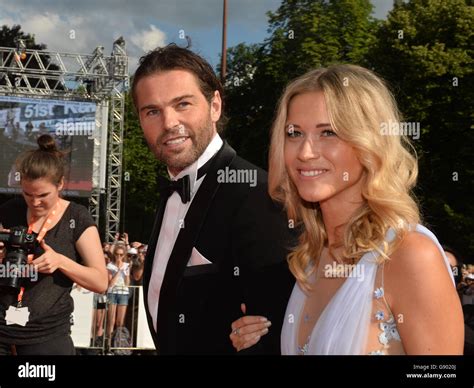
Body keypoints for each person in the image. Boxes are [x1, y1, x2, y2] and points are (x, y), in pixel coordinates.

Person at [230, 65, 464, 355]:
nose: (305, 152)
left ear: (369, 143)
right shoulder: (309, 261)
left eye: (328, 132)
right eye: (294, 133)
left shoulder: (411, 255)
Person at [133, 44, 295, 354]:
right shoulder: (171, 190)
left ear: (215, 106)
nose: (168, 123)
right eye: (152, 111)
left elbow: (278, 329)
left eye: (182, 104)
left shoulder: (258, 194)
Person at [0, 134, 108, 355]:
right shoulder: (10, 210)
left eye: (43, 195)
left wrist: (61, 261)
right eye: (27, 193)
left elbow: (100, 281)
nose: (35, 201)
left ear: (60, 184)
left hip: (46, 337)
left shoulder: (77, 217)